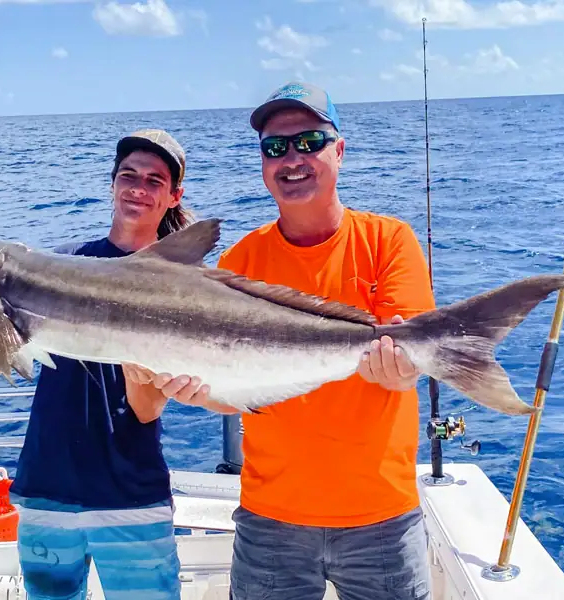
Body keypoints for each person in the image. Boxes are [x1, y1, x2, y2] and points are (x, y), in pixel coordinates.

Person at [137, 82, 436, 600]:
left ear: (338, 150)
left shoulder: (389, 241)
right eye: (275, 148)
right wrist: (194, 391)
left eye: (309, 142)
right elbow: (233, 390)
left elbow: (406, 360)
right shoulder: (240, 262)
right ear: (262, 162)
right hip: (270, 519)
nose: (292, 158)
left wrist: (407, 366)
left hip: (382, 516)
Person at [0, 128, 196, 600]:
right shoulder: (61, 262)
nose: (138, 189)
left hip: (131, 495)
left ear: (173, 196)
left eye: (153, 180)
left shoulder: (182, 286)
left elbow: (148, 407)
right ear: (112, 184)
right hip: (46, 487)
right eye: (128, 176)